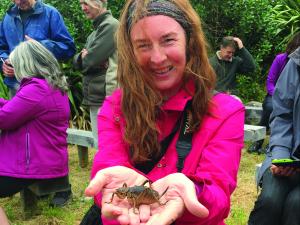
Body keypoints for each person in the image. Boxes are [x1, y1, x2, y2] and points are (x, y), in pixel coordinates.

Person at [81, 0, 245, 224]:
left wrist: (193, 192)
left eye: (168, 40)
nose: (158, 58)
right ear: (130, 51)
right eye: (143, 45)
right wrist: (109, 188)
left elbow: (218, 195)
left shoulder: (226, 111)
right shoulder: (115, 106)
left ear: (189, 42)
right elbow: (107, 172)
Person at [0, 40, 71, 215]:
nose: (13, 70)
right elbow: (14, 109)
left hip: (33, 165)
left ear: (25, 64)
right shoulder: (49, 85)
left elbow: (4, 119)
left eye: (14, 64)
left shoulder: (36, 89)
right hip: (42, 160)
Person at [248, 46, 300, 225]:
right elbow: (282, 114)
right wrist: (280, 154)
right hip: (288, 157)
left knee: (296, 205)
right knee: (270, 202)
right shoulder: (295, 62)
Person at [0, 0, 76, 98]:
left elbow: (68, 48)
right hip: (16, 87)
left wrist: (39, 46)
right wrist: (4, 63)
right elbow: (2, 48)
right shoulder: (8, 17)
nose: (19, 1)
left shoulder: (50, 13)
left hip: (45, 85)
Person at [73, 0, 118, 150]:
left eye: (85, 3)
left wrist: (87, 58)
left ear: (100, 2)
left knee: (107, 147)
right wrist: (83, 58)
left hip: (106, 97)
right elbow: (80, 63)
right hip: (97, 96)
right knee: (102, 146)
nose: (82, 8)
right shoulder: (95, 31)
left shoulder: (110, 26)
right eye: (80, 4)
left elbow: (89, 61)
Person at [248, 32, 300, 153]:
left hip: (292, 97)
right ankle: (258, 141)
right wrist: (276, 94)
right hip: (274, 94)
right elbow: (270, 81)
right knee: (270, 106)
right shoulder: (280, 59)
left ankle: (273, 143)